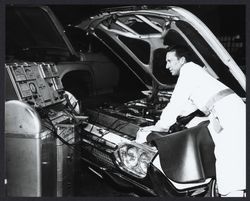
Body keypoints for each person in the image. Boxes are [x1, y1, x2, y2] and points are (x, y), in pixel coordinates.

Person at [136, 45, 246, 197]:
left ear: (181, 60)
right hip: (226, 111)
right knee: (226, 162)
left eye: (169, 61)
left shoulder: (188, 71)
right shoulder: (195, 72)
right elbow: (187, 108)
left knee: (230, 165)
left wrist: (160, 126)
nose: (167, 66)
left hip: (229, 113)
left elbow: (176, 102)